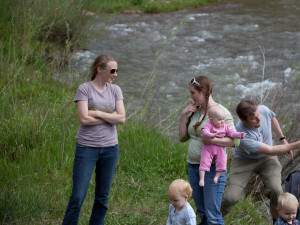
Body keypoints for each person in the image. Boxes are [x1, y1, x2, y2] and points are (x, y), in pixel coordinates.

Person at [62, 54, 125, 225]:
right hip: (86, 148)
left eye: (117, 71)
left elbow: (122, 118)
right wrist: (109, 116)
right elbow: (83, 119)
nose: (115, 74)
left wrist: (96, 113)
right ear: (100, 69)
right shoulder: (84, 89)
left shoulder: (115, 90)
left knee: (102, 198)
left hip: (110, 149)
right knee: (77, 197)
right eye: (112, 70)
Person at [221, 99, 300, 223]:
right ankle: (212, 219)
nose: (259, 120)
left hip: (267, 160)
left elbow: (271, 118)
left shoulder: (263, 110)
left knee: (276, 191)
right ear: (243, 120)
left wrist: (283, 138)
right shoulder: (240, 133)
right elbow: (270, 150)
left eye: (258, 116)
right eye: (253, 119)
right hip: (244, 161)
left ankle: (277, 222)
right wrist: (296, 145)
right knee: (231, 197)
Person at [179, 76, 237, 225]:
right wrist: (183, 115)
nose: (190, 96)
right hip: (194, 167)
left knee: (212, 216)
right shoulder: (195, 111)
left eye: (193, 93)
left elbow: (234, 141)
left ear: (203, 92)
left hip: (212, 169)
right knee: (202, 212)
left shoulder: (220, 112)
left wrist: (213, 140)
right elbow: (182, 138)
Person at [199, 105, 245, 187]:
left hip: (220, 148)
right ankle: (202, 179)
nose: (222, 121)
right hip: (208, 147)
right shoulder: (209, 125)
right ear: (211, 120)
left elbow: (232, 133)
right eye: (220, 120)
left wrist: (239, 135)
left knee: (222, 162)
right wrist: (211, 134)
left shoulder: (225, 126)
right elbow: (204, 131)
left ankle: (216, 177)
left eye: (224, 119)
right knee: (204, 162)